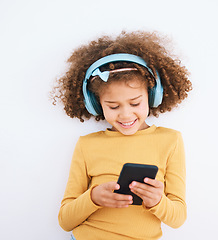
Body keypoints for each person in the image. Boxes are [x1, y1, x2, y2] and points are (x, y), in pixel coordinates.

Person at [51, 31, 192, 240]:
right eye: (113, 106)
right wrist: (93, 197)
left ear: (152, 96)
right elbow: (65, 220)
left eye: (135, 103)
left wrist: (157, 201)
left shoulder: (170, 141)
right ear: (97, 104)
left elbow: (178, 218)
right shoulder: (86, 145)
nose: (126, 114)